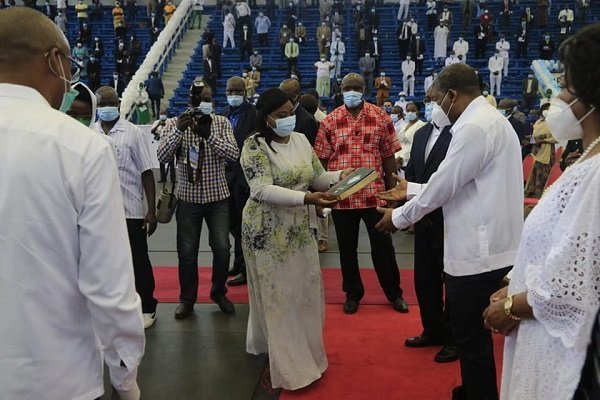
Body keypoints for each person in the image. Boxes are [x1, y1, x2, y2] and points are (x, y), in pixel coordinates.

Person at [0, 7, 144, 399]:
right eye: (69, 64)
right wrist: (125, 378)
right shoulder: (80, 147)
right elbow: (109, 287)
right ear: (53, 60)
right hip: (56, 378)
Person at [376, 63, 523, 400]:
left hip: (478, 251)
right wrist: (411, 188)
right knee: (472, 334)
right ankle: (472, 388)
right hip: (492, 244)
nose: (433, 106)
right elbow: (460, 182)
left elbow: (444, 186)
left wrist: (398, 218)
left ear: (452, 95)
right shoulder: (492, 121)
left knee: (470, 335)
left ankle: (478, 393)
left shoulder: (474, 127)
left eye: (435, 99)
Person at [482, 23, 600, 400]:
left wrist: (512, 306)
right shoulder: (588, 157)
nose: (559, 97)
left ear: (590, 96)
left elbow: (576, 279)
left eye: (566, 86)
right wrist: (514, 281)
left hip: (575, 358)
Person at [241, 88, 349, 390]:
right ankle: (288, 366)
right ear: (266, 118)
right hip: (265, 229)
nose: (289, 119)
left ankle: (308, 354)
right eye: (281, 115)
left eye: (291, 112)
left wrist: (341, 177)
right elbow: (261, 190)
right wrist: (307, 199)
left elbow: (317, 176)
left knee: (304, 291)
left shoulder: (301, 139)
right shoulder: (254, 146)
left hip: (300, 228)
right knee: (278, 297)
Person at [314, 73, 409, 315]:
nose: (352, 91)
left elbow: (388, 156)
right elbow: (322, 161)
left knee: (383, 246)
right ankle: (352, 293)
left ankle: (394, 293)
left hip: (374, 196)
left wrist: (392, 193)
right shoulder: (330, 121)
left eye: (356, 87)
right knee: (346, 249)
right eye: (348, 87)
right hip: (342, 197)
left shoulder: (380, 116)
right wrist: (324, 194)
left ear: (364, 89)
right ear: (341, 89)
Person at [157, 80, 239, 319]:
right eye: (199, 99)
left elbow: (234, 155)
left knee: (222, 248)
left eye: (207, 99)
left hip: (218, 198)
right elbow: (161, 155)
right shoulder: (175, 123)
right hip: (187, 199)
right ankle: (187, 298)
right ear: (189, 102)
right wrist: (178, 131)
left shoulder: (221, 123)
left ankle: (218, 292)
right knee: (187, 252)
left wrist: (209, 135)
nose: (203, 103)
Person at [94, 86, 159, 329]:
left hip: (130, 211)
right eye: (102, 104)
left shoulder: (132, 133)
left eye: (111, 103)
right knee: (105, 263)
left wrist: (151, 210)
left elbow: (147, 173)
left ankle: (148, 308)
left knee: (139, 261)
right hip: (100, 213)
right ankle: (111, 308)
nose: (107, 107)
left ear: (119, 103)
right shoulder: (91, 131)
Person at [403, 118, 458, 364]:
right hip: (423, 217)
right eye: (430, 99)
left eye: (437, 99)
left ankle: (453, 337)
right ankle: (432, 329)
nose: (433, 104)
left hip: (452, 217)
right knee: (425, 278)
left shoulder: (461, 132)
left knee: (453, 281)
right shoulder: (421, 132)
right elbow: (413, 170)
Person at [222, 77, 256, 286]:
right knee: (232, 223)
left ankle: (246, 269)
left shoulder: (254, 114)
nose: (233, 94)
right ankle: (237, 263)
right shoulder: (223, 114)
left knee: (245, 225)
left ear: (244, 92)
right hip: (225, 176)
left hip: (245, 177)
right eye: (230, 91)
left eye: (237, 91)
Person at [523, 102, 557, 199]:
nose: (546, 111)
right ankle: (531, 194)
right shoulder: (538, 122)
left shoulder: (554, 123)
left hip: (546, 153)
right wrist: (531, 140)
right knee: (533, 175)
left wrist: (543, 139)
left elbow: (556, 138)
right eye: (545, 109)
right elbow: (534, 137)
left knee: (542, 176)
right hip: (536, 152)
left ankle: (540, 196)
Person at [279, 78, 319, 145]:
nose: (281, 97)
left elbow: (308, 147)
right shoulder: (278, 115)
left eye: (285, 94)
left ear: (298, 96)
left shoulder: (307, 121)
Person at [395, 102, 427, 168]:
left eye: (413, 111)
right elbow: (400, 142)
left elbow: (416, 146)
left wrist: (402, 157)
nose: (410, 112)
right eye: (408, 110)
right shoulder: (405, 125)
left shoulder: (421, 125)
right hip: (397, 158)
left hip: (409, 161)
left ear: (418, 112)